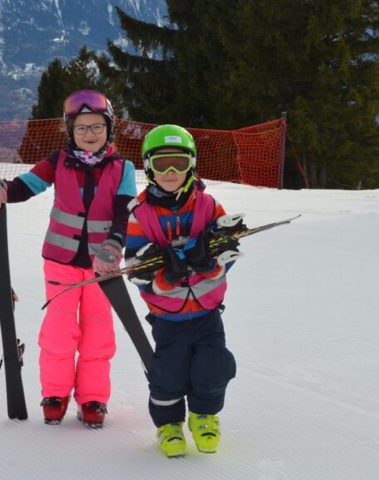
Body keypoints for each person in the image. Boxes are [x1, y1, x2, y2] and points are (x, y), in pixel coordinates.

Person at [0, 90, 137, 428]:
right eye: (81, 128)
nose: (89, 134)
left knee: (97, 332)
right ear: (71, 132)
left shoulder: (123, 168)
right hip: (60, 262)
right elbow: (25, 186)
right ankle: (55, 393)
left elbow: (125, 213)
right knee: (58, 331)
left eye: (96, 126)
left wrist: (114, 244)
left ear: (110, 128)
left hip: (102, 266)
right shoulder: (59, 161)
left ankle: (93, 398)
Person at [124, 125, 240, 457]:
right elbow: (135, 268)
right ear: (149, 167)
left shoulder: (208, 206)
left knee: (212, 366)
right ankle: (169, 423)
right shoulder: (140, 214)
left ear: (191, 164)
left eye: (178, 162)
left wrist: (211, 264)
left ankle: (204, 417)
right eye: (162, 164)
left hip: (207, 311)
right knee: (169, 372)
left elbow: (227, 251)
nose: (171, 172)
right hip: (168, 317)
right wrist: (164, 276)